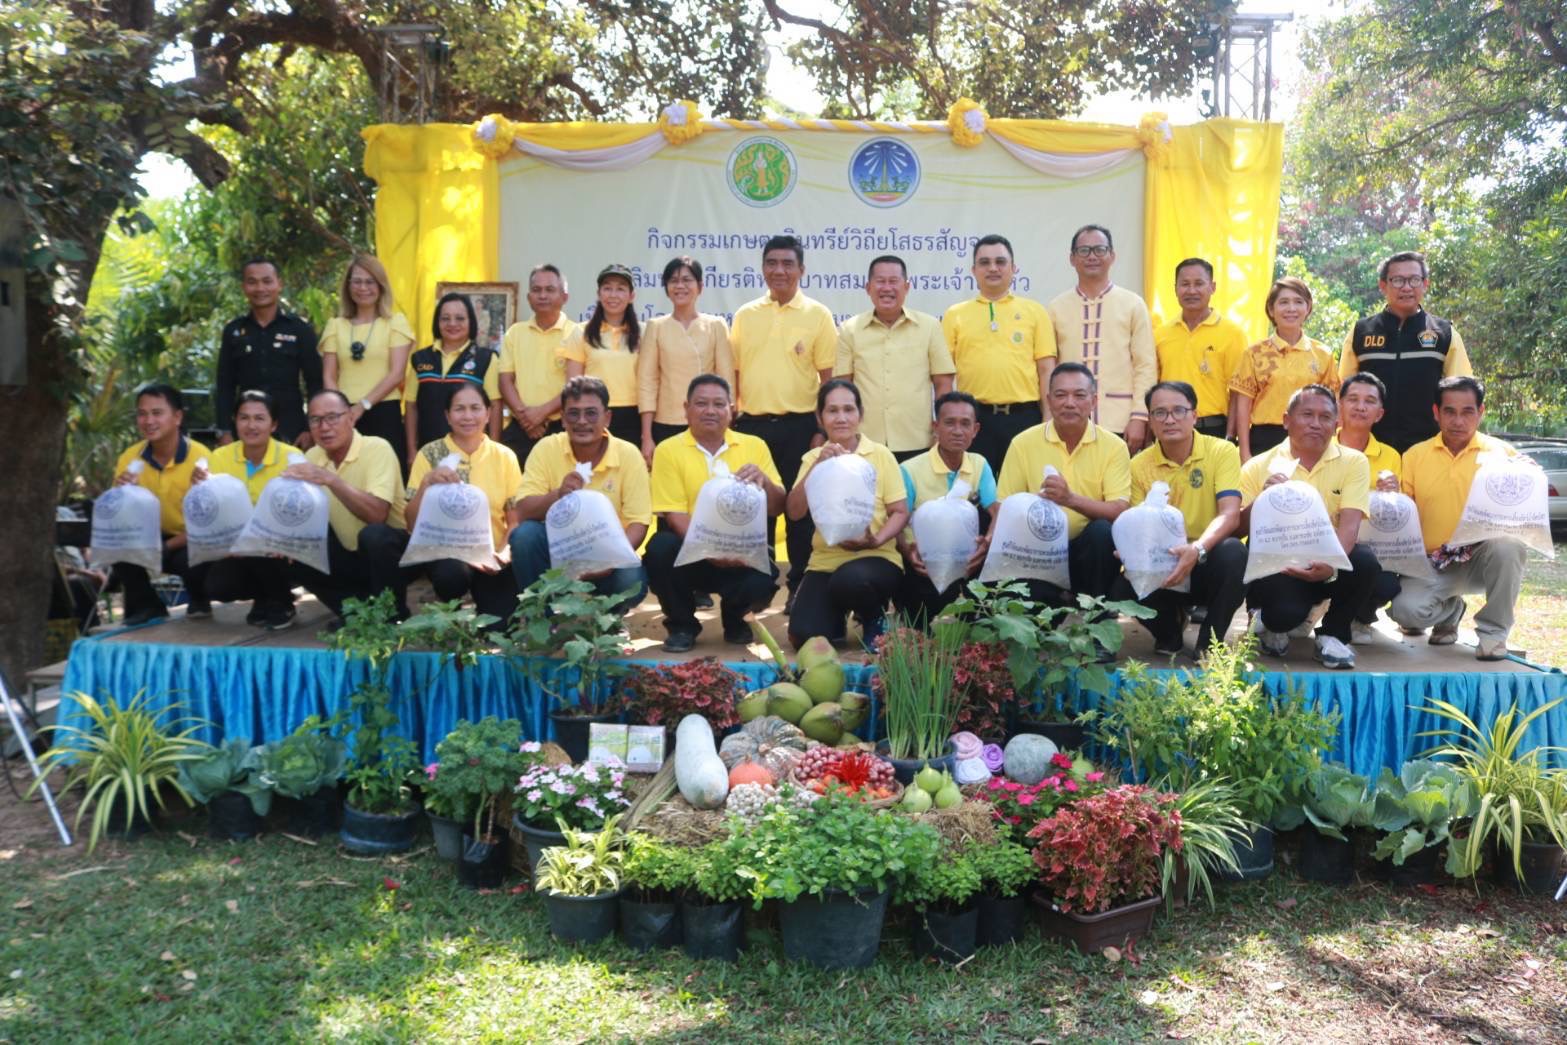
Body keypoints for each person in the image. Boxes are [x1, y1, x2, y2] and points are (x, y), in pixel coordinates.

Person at [1388, 377, 1530, 660]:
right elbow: (1404, 518)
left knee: (1509, 544)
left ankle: (1493, 634)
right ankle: (1452, 610)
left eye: (1467, 412)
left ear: (1481, 412)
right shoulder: (1415, 456)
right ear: (1436, 413)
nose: (1458, 420)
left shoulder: (1504, 454)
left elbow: (1523, 507)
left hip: (1482, 559)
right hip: (1434, 563)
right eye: (1449, 411)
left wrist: (1530, 475)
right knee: (1405, 611)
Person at [729, 234, 837, 606]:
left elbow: (829, 381)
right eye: (772, 263)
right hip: (751, 427)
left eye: (787, 264)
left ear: (802, 270)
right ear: (762, 268)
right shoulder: (745, 315)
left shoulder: (818, 315)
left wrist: (821, 430)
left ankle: (799, 589)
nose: (779, 270)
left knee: (798, 512)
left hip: (801, 427)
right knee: (755, 510)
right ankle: (758, 586)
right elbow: (736, 374)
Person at [645, 374, 786, 652]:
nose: (710, 411)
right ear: (686, 408)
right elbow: (674, 516)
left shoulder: (754, 446)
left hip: (743, 555)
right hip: (693, 554)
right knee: (660, 548)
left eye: (719, 404)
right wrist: (713, 551)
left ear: (731, 410)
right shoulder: (668, 450)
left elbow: (778, 507)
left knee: (761, 581)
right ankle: (682, 625)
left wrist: (765, 482)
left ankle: (736, 619)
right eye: (701, 403)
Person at [1238, 384, 1375, 669]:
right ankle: (1267, 620)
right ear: (1286, 420)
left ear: (1336, 423)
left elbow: (1350, 525)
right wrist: (1263, 499)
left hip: (1327, 564)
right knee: (1283, 616)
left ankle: (1333, 636)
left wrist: (1332, 564)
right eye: (1307, 415)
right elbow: (1238, 529)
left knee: (1365, 562)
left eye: (1325, 417)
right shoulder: (1259, 465)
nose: (1316, 424)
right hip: (1279, 566)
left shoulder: (1353, 462)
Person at [1117, 381, 1247, 656]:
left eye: (1179, 410)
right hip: (1161, 563)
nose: (1170, 419)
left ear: (1195, 416)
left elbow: (1230, 514)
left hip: (1205, 557)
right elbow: (1139, 527)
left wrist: (1197, 548)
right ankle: (1169, 634)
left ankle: (1209, 643)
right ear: (1150, 420)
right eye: (1160, 413)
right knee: (1119, 583)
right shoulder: (1138, 465)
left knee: (1235, 552)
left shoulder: (1222, 451)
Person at [995, 363, 1130, 618]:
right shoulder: (1023, 443)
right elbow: (1004, 506)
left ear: (1094, 401)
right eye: (1060, 395)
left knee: (1102, 531)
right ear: (1048, 400)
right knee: (1041, 632)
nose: (1070, 403)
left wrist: (1069, 499)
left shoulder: (1114, 446)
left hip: (1088, 553)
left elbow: (1119, 510)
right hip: (1038, 552)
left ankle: (1099, 623)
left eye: (1079, 395)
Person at [784, 379, 908, 649]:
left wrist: (876, 539)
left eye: (849, 410)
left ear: (860, 415)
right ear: (820, 417)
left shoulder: (881, 455)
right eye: (832, 410)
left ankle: (873, 615)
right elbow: (794, 512)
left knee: (852, 580)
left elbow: (899, 512)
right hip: (826, 561)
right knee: (804, 635)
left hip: (876, 557)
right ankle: (835, 618)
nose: (841, 418)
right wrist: (818, 464)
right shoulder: (812, 458)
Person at [511, 376, 649, 610]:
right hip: (557, 554)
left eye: (591, 413)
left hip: (608, 556)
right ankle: (544, 618)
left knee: (630, 580)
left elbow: (639, 521)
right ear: (563, 419)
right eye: (573, 413)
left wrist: (609, 560)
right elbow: (522, 510)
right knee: (525, 536)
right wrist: (558, 495)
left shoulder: (628, 454)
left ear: (607, 417)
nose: (582, 421)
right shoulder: (546, 448)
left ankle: (607, 621)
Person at [284, 390, 410, 622]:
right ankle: (356, 614)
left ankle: (392, 615)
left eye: (333, 417)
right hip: (347, 555)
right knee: (293, 549)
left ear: (351, 417)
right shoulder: (312, 456)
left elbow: (377, 515)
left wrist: (331, 480)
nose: (324, 427)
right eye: (316, 420)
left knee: (375, 536)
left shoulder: (377, 448)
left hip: (393, 556)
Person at [406, 384, 524, 623]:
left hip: (492, 556)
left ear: (488, 414)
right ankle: (450, 605)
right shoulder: (430, 454)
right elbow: (410, 522)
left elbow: (514, 519)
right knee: (451, 575)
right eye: (459, 409)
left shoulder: (504, 456)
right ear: (447, 416)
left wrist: (503, 553)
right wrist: (427, 482)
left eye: (475, 408)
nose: (468, 416)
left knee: (499, 629)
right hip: (448, 554)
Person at [940, 234, 1055, 472]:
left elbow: (1046, 370)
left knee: (1024, 490)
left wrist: (1048, 419)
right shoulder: (955, 314)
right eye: (984, 263)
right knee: (978, 494)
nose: (993, 268)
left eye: (1000, 262)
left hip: (1025, 417)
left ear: (1014, 268)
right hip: (975, 421)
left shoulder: (1035, 311)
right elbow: (943, 375)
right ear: (973, 270)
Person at [1340, 251, 1473, 452]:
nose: (1407, 287)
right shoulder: (1361, 332)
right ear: (1383, 285)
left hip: (1428, 448)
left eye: (1414, 280)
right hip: (1369, 448)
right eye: (1398, 280)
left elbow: (1463, 392)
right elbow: (1342, 390)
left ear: (1425, 284)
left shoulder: (1444, 333)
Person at [1046, 225, 1157, 452]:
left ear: (1112, 256)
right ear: (1072, 258)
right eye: (1084, 251)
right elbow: (1049, 369)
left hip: (1120, 420)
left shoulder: (1133, 304)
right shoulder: (1057, 307)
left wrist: (1139, 416)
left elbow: (1145, 365)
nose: (1092, 256)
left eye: (1099, 250)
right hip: (1069, 421)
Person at [109, 384, 212, 626]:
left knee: (193, 558)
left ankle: (200, 596)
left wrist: (166, 546)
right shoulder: (130, 457)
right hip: (150, 536)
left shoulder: (201, 458)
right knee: (113, 538)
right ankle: (148, 605)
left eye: (157, 413)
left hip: (191, 539)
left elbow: (210, 525)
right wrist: (122, 495)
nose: (148, 421)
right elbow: (116, 517)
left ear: (177, 417)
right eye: (142, 414)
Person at [835, 254, 955, 462]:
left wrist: (941, 432)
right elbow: (842, 388)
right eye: (880, 281)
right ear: (868, 288)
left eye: (893, 281)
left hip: (918, 441)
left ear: (906, 287)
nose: (887, 288)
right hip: (864, 442)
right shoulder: (849, 330)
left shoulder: (929, 327)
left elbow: (943, 385)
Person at [893, 391, 998, 624]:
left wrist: (987, 542)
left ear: (976, 430)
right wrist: (907, 551)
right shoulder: (909, 470)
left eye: (965, 424)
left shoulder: (979, 464)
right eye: (949, 423)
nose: (958, 431)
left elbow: (996, 511)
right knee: (923, 624)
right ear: (935, 427)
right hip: (924, 564)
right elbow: (896, 522)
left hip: (968, 562)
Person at [198, 390, 298, 630]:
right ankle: (262, 597)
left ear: (273, 424)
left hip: (281, 548)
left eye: (259, 418)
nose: (251, 425)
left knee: (263, 548)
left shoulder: (292, 457)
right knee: (217, 586)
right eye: (244, 418)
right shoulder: (219, 457)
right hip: (238, 546)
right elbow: (212, 511)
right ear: (235, 420)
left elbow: (301, 512)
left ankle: (281, 600)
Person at [318, 254, 416, 473]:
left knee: (385, 478)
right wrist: (340, 412)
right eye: (357, 281)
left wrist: (362, 406)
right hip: (343, 417)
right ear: (348, 286)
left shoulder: (395, 323)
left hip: (383, 412)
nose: (363, 288)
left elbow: (397, 373)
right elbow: (329, 376)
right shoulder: (335, 325)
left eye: (370, 281)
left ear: (380, 286)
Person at [637, 257, 734, 467]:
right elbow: (647, 381)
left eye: (687, 280)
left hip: (708, 422)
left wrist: (728, 427)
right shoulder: (656, 326)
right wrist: (647, 436)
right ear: (666, 288)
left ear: (700, 286)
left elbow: (727, 381)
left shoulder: (716, 325)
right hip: (665, 422)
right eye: (673, 281)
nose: (680, 286)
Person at [214, 257, 321, 445]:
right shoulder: (233, 331)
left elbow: (315, 382)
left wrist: (309, 427)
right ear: (244, 287)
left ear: (279, 284)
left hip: (292, 429)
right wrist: (224, 430)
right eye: (252, 282)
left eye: (267, 281)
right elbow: (225, 385)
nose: (260, 288)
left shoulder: (299, 329)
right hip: (246, 428)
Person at [1231, 276, 1340, 461]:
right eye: (1283, 302)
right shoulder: (1254, 353)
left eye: (1298, 302)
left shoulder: (1323, 354)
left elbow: (1333, 404)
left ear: (1308, 308)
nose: (1291, 308)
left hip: (1310, 437)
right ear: (1271, 310)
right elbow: (1243, 407)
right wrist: (1244, 452)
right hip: (1264, 440)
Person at [1336, 371, 1405, 644]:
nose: (1360, 407)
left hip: (1368, 549)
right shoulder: (1318, 445)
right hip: (1322, 542)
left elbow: (1397, 515)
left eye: (1369, 401)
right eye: (1352, 399)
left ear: (1379, 413)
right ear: (1339, 405)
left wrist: (1395, 494)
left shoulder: (1390, 456)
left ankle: (1358, 617)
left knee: (1386, 583)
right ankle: (1308, 611)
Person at [1153, 258, 1247, 439]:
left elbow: (1238, 393)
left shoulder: (1233, 334)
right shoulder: (1160, 334)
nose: (1191, 290)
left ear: (1212, 287)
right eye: (1185, 284)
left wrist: (1230, 436)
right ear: (1175, 289)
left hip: (1213, 429)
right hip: (1169, 426)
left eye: (1199, 284)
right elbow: (1153, 385)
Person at [404, 292, 502, 463]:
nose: (452, 324)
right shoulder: (420, 359)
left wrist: (493, 451)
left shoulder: (486, 359)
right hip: (428, 451)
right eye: (445, 318)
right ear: (437, 322)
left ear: (471, 321)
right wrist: (412, 451)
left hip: (472, 454)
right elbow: (411, 407)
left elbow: (495, 406)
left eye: (460, 318)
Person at [497, 264, 575, 469]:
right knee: (516, 490)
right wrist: (525, 418)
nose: (542, 295)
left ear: (564, 296)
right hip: (520, 427)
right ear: (528, 297)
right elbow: (505, 381)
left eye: (550, 290)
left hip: (561, 428)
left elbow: (575, 385)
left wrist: (541, 413)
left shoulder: (576, 333)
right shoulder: (515, 333)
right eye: (537, 290)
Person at [561, 264, 643, 447]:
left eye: (620, 289)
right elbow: (573, 386)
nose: (613, 295)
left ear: (631, 296)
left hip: (634, 417)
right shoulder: (581, 332)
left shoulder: (644, 333)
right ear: (599, 294)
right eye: (607, 288)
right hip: (592, 415)